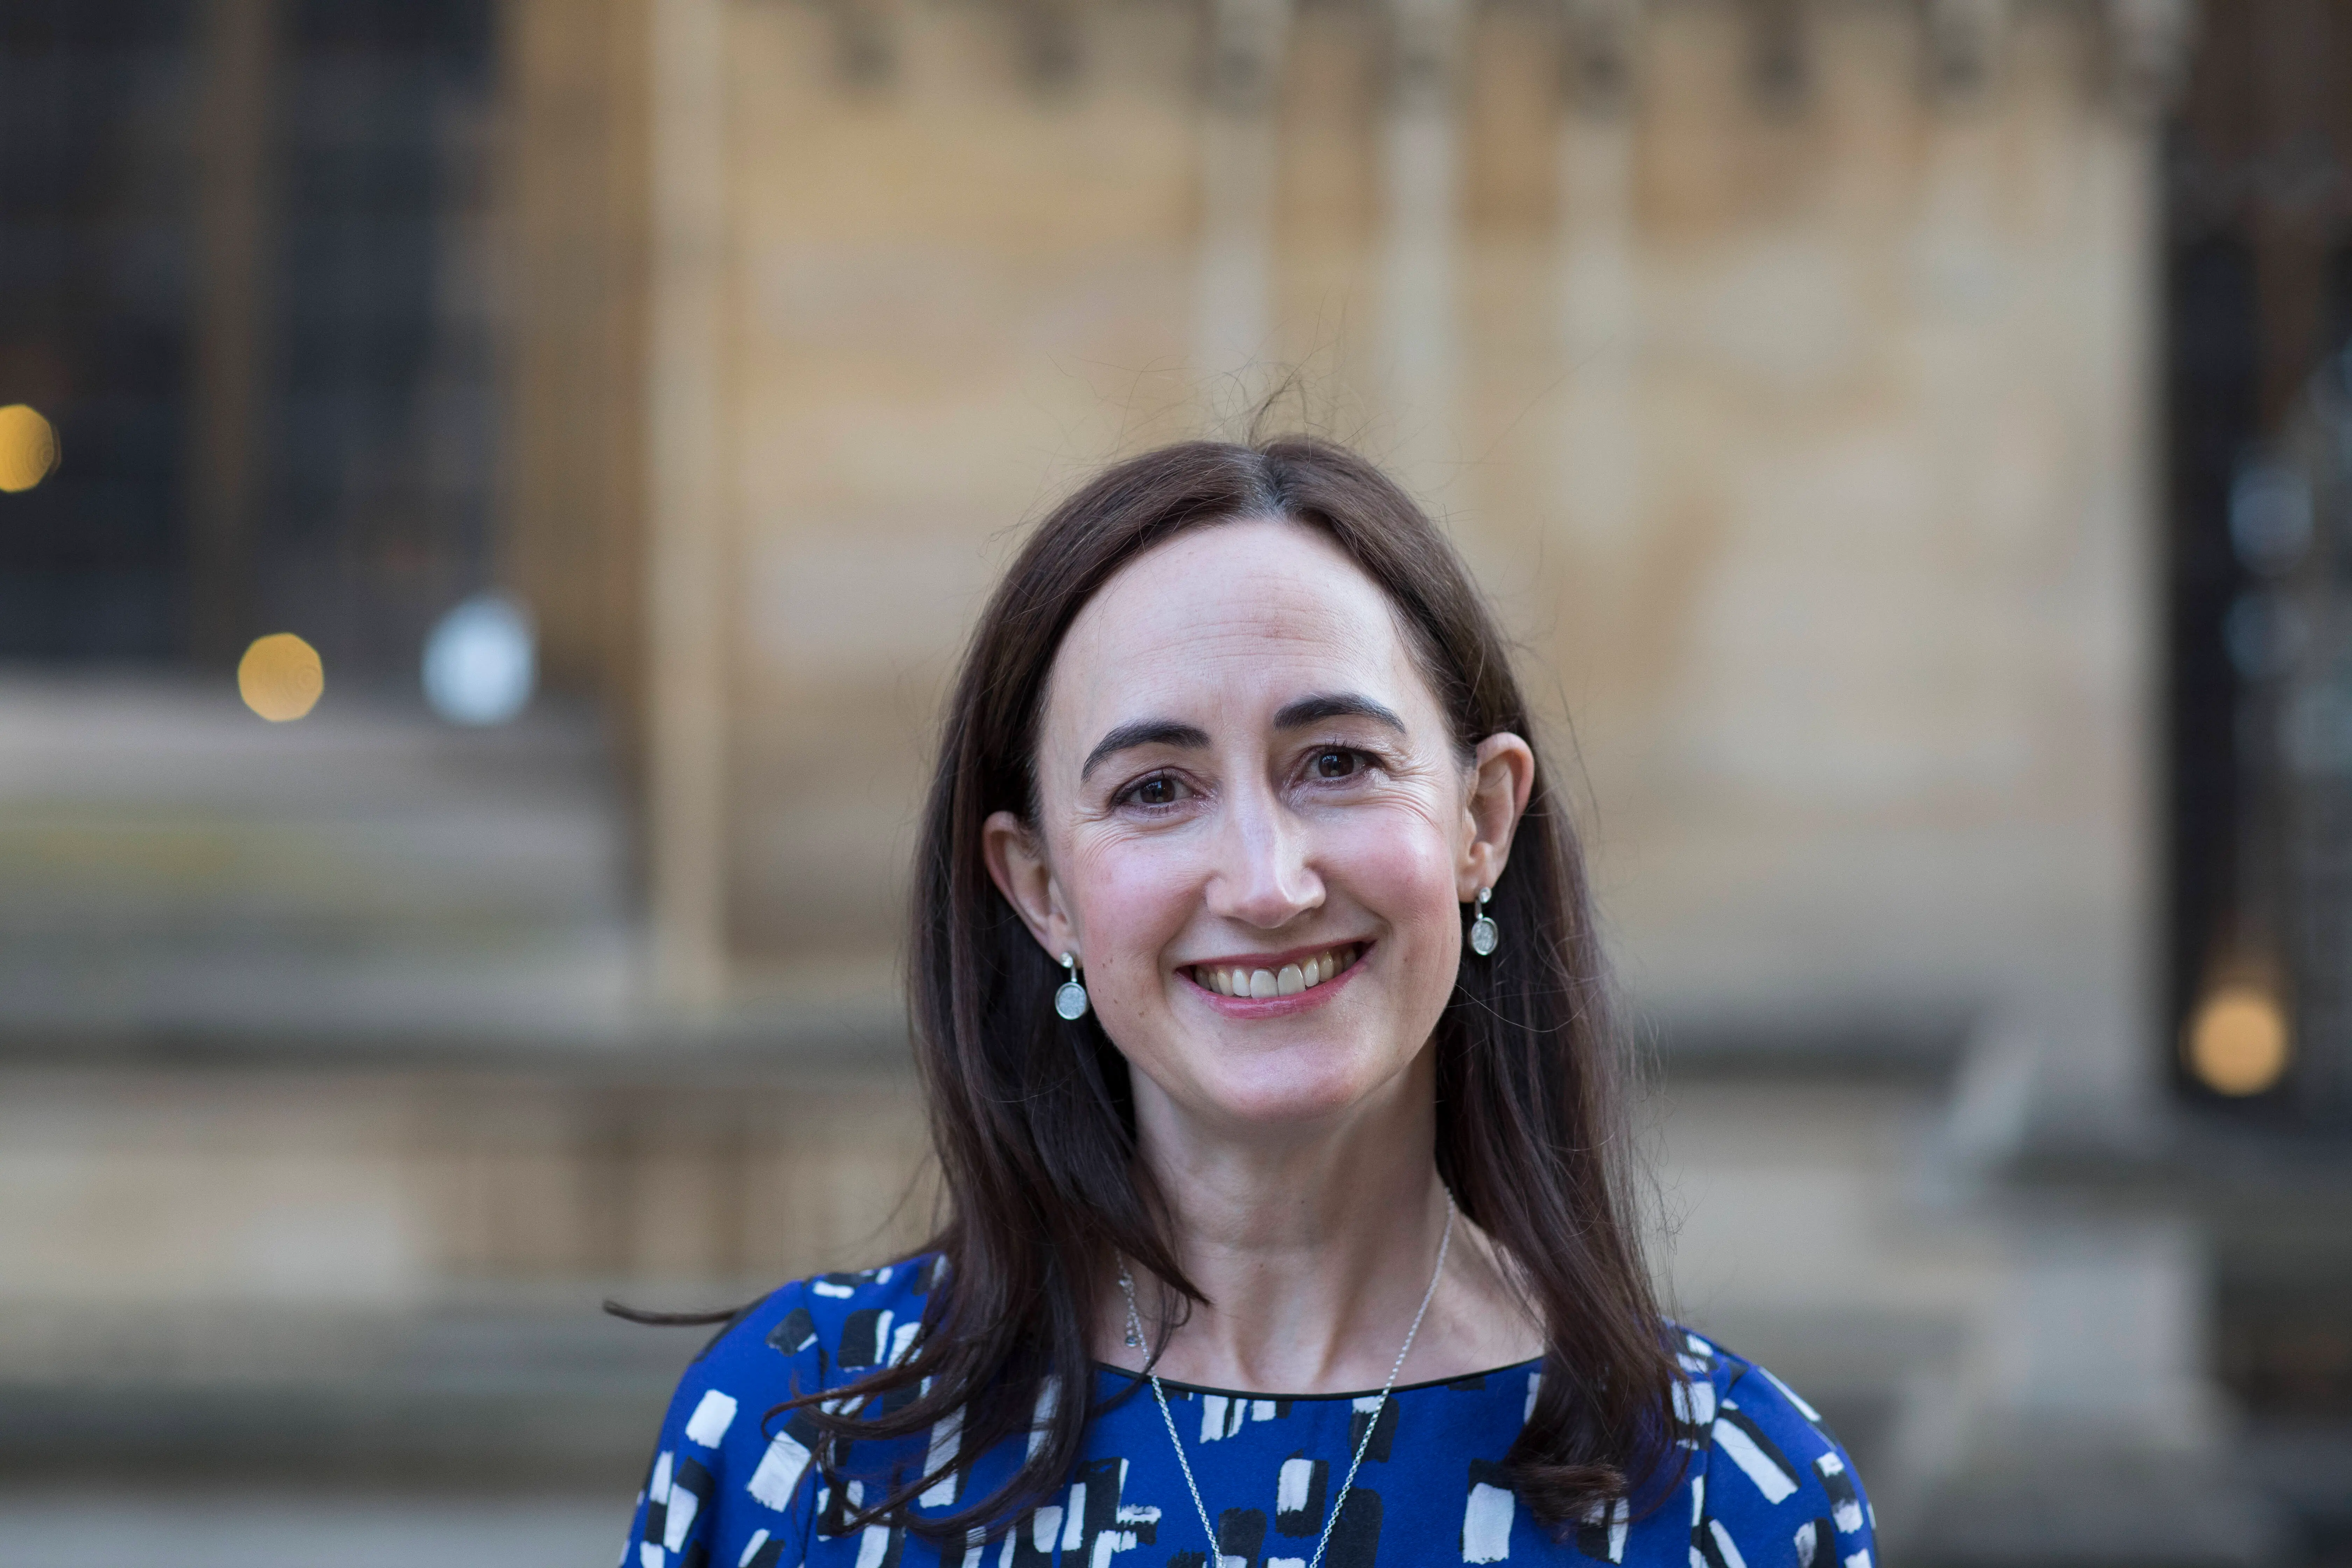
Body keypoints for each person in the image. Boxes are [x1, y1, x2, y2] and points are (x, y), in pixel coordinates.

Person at [623, 439, 1874, 1568]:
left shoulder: (1728, 1500)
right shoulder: (800, 1451)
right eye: (1156, 789)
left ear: (1482, 823)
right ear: (1042, 889)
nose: (1269, 886)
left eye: (1336, 764)